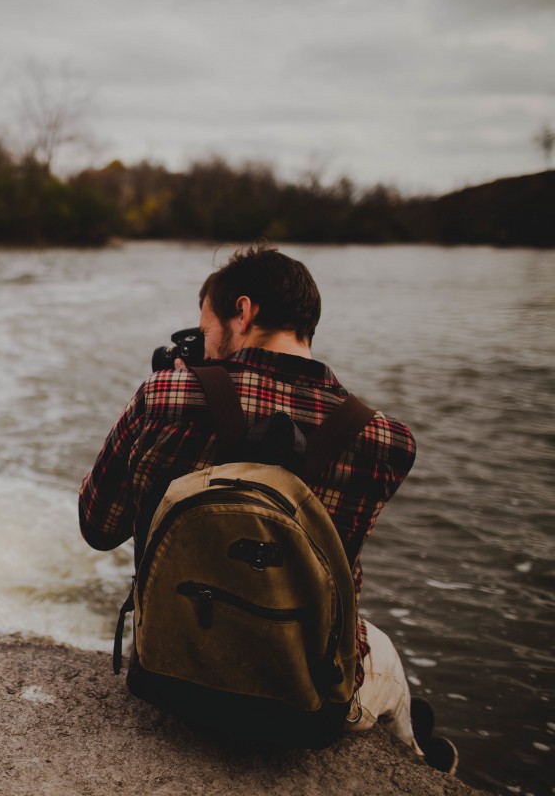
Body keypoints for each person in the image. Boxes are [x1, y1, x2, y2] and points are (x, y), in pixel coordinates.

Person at [78, 243, 456, 772]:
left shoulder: (164, 395)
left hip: (169, 669)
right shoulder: (385, 439)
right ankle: (423, 764)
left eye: (206, 325)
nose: (204, 340)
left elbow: (98, 527)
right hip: (297, 699)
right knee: (384, 656)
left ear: (244, 311)